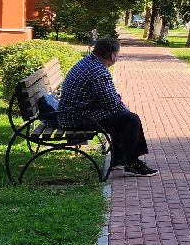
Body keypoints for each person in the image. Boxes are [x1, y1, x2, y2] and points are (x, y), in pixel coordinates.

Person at [57, 37, 158, 176]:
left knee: (121, 117)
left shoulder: (90, 62)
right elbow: (111, 103)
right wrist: (125, 109)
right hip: (76, 118)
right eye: (118, 54)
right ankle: (132, 163)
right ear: (112, 55)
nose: (117, 57)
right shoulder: (98, 71)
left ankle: (119, 160)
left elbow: (108, 100)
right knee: (131, 120)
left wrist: (120, 107)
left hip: (70, 114)